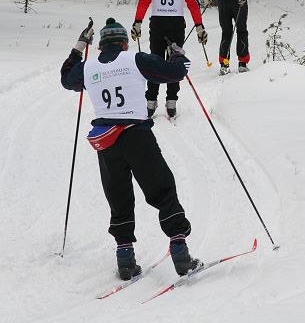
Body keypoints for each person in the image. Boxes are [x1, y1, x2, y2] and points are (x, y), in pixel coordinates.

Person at [60, 17, 201, 280]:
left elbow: (67, 80)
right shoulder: (135, 59)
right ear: (124, 43)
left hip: (106, 140)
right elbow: (177, 73)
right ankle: (180, 253)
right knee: (162, 189)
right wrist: (178, 56)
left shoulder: (89, 67)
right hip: (136, 135)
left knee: (119, 196)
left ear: (101, 45)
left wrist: (79, 47)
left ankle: (125, 259)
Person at [131, 0, 208, 118]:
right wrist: (199, 26)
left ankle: (151, 102)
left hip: (157, 24)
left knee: (155, 61)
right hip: (176, 25)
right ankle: (171, 102)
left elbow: (144, 1)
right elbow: (192, 4)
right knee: (175, 63)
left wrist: (137, 22)